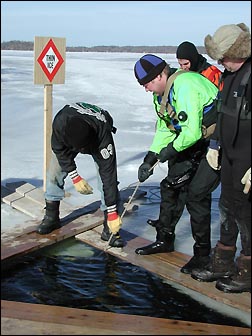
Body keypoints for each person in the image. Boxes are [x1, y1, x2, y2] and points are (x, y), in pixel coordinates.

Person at [133, 54, 220, 274]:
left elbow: (190, 132)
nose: (146, 89)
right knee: (170, 186)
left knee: (197, 194)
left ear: (161, 74)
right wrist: (150, 157)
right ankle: (165, 239)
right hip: (192, 141)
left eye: (148, 84)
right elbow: (166, 127)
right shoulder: (161, 94)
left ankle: (202, 255)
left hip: (216, 142)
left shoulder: (185, 84)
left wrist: (168, 153)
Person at [191, 23, 251, 293]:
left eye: (224, 55)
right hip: (228, 153)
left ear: (238, 51)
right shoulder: (228, 76)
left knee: (246, 213)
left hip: (248, 157)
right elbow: (221, 113)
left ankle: (248, 270)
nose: (220, 61)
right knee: (227, 207)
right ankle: (223, 262)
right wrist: (214, 144)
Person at [37, 102, 124, 248]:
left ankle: (109, 226)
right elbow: (59, 150)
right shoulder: (60, 124)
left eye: (81, 149)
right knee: (54, 172)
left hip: (98, 132)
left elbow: (108, 175)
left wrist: (112, 213)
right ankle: (51, 217)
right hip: (71, 129)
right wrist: (74, 175)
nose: (79, 151)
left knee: (105, 181)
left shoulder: (103, 137)